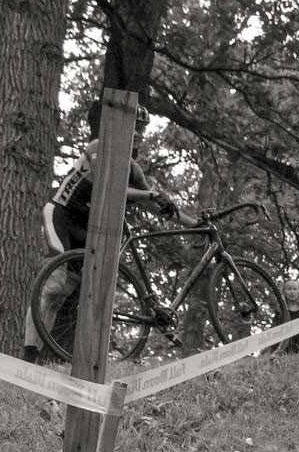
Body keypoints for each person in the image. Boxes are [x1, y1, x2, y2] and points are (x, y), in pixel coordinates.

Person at [22, 104, 184, 363]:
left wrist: (191, 221)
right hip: (61, 214)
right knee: (52, 287)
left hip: (85, 229)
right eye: (135, 128)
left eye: (142, 130)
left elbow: (154, 204)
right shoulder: (98, 147)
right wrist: (151, 194)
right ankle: (28, 356)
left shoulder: (133, 169)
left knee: (61, 295)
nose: (139, 135)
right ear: (123, 126)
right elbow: (106, 187)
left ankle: (34, 357)